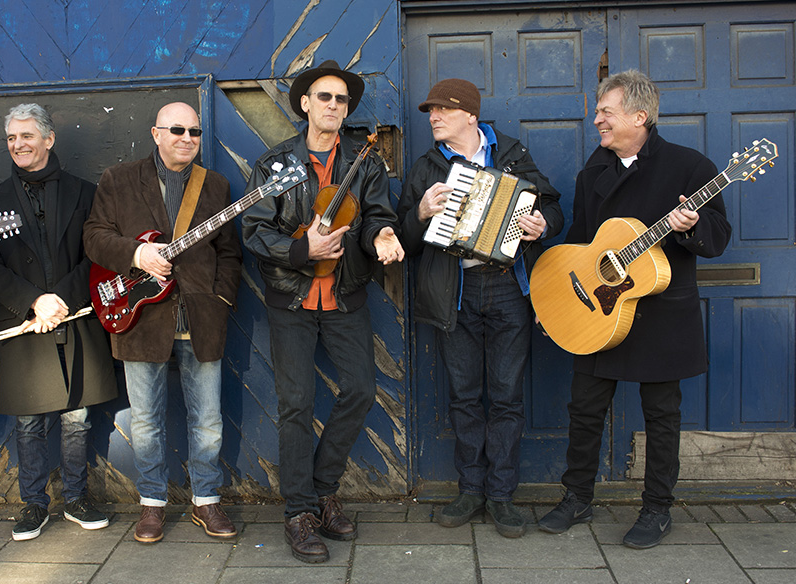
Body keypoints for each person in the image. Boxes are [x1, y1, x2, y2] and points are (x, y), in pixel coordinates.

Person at [537, 70, 731, 549]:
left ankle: (657, 509)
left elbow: (718, 238)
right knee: (584, 408)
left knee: (661, 415)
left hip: (662, 315)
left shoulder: (691, 167)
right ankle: (577, 497)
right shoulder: (593, 171)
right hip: (599, 310)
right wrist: (559, 299)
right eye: (599, 111)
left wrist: (691, 226)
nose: (597, 120)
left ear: (639, 116)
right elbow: (581, 243)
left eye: (606, 111)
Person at [242, 59, 405, 563]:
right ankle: (299, 512)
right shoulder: (275, 165)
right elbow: (254, 230)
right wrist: (302, 250)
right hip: (292, 297)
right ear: (305, 104)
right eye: (325, 97)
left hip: (344, 294)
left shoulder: (365, 163)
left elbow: (376, 214)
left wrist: (383, 233)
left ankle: (321, 489)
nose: (334, 105)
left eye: (342, 100)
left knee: (361, 389)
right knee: (295, 402)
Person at [397, 78, 563, 538]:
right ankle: (471, 489)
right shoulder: (427, 167)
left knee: (507, 397)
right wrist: (420, 214)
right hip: (457, 290)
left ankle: (502, 496)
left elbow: (553, 206)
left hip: (508, 287)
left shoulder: (511, 154)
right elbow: (403, 239)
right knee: (465, 396)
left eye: (443, 110)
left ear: (471, 115)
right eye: (430, 111)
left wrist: (542, 225)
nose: (433, 117)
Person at [83, 102, 242, 544]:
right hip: (139, 315)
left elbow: (229, 253)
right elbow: (94, 237)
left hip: (201, 317)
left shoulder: (215, 184)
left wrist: (220, 299)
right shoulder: (118, 179)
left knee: (207, 418)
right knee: (146, 420)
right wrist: (137, 254)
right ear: (156, 134)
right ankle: (152, 503)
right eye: (177, 130)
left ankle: (206, 500)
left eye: (194, 132)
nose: (187, 138)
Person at [0, 103, 118, 541]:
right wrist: (35, 301)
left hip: (76, 316)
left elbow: (96, 253)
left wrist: (62, 300)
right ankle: (34, 504)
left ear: (49, 139)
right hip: (24, 318)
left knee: (77, 418)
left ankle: (75, 498)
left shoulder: (87, 192)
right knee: (29, 422)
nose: (18, 144)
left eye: (27, 136)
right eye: (11, 138)